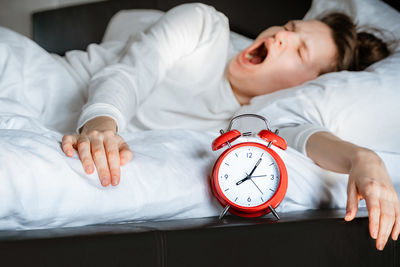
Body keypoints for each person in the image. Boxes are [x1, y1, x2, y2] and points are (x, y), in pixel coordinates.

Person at [60, 3, 398, 250]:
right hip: (44, 80)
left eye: (299, 50)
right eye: (291, 27)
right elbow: (129, 74)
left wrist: (363, 158)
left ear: (306, 84)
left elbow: (304, 135)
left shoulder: (257, 123)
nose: (281, 35)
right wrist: (101, 125)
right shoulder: (205, 26)